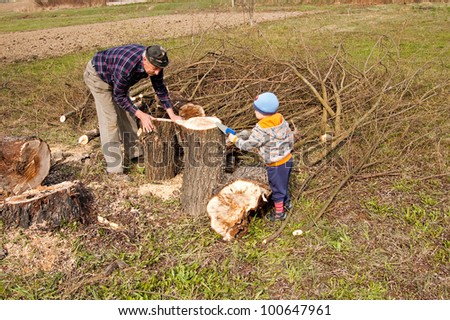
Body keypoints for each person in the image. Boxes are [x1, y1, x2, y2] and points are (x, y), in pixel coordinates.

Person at [83, 44, 181, 178]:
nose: (157, 72)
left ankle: (135, 154)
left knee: (128, 116)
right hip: (98, 76)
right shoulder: (127, 66)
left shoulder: (156, 63)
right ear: (145, 60)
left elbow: (160, 89)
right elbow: (119, 96)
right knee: (110, 120)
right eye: (155, 69)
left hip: (116, 77)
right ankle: (114, 170)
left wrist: (172, 115)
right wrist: (141, 115)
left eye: (160, 69)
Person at [227, 92, 294, 221]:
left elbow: (248, 146)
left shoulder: (261, 129)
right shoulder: (280, 119)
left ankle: (280, 213)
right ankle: (287, 203)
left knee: (277, 189)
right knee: (283, 183)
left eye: (256, 109)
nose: (254, 111)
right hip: (287, 159)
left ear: (262, 112)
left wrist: (235, 140)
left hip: (275, 165)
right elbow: (288, 135)